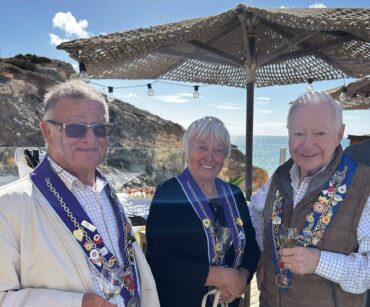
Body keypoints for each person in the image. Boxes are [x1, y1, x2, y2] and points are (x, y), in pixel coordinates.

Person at [0, 79, 160, 307]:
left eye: (100, 128)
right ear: (46, 131)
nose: (91, 138)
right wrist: (77, 303)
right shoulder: (8, 205)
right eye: (75, 128)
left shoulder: (108, 193)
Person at [249, 91, 370, 307]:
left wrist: (319, 262)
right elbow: (255, 211)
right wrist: (265, 254)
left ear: (340, 134)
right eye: (299, 134)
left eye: (320, 133)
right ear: (288, 133)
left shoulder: (364, 186)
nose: (307, 144)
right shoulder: (279, 177)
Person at [146, 116, 260, 307]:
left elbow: (251, 248)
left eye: (218, 150)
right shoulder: (170, 193)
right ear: (187, 149)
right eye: (202, 147)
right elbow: (161, 261)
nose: (210, 156)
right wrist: (220, 276)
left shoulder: (234, 194)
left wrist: (241, 277)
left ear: (225, 155)